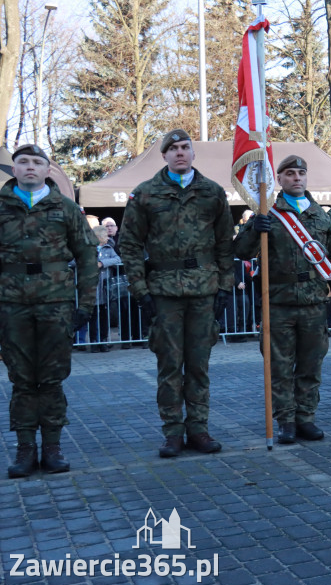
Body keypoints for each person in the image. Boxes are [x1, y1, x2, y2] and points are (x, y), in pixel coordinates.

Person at [119, 129, 234, 458]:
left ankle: (198, 428)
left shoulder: (212, 193)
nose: (180, 153)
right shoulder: (146, 194)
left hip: (203, 290)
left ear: (193, 154)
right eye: (173, 149)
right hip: (164, 291)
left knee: (199, 365)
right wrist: (140, 290)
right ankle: (172, 432)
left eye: (185, 147)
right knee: (169, 366)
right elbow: (128, 245)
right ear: (165, 155)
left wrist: (225, 287)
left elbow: (225, 244)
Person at [233, 155, 331, 444]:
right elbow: (242, 252)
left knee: (311, 365)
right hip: (278, 302)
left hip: (313, 303)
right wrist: (254, 229)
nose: (297, 178)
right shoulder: (268, 212)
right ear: (279, 179)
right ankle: (285, 420)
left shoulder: (321, 215)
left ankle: (306, 417)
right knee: (279, 366)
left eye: (301, 173)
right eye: (290, 173)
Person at [2, 144, 97, 479]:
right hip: (11, 306)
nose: (30, 167)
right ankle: (25, 449)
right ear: (14, 169)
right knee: (22, 379)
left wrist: (85, 305)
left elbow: (87, 259)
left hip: (55, 305)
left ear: (47, 170)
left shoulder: (66, 208)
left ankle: (53, 446)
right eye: (23, 162)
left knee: (53, 378)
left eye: (37, 162)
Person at [90, 225, 122, 353]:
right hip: (92, 288)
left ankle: (103, 340)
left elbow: (117, 259)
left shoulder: (108, 248)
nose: (107, 238)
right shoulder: (89, 248)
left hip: (104, 288)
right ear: (98, 237)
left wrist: (102, 263)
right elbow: (76, 261)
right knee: (93, 316)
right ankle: (93, 342)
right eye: (104, 236)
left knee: (104, 316)